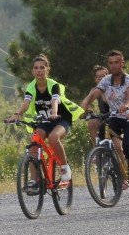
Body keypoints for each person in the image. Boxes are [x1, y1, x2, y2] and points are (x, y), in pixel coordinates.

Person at [7, 53, 84, 184]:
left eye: (42, 67)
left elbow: (55, 100)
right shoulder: (31, 87)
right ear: (32, 71)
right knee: (34, 144)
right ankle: (34, 179)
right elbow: (26, 104)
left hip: (61, 119)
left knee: (54, 138)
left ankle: (65, 168)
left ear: (47, 69)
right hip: (44, 120)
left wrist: (54, 112)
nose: (39, 71)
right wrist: (16, 114)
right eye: (36, 68)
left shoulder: (53, 85)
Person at [81, 50, 129, 185]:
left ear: (122, 63)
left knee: (128, 147)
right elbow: (94, 93)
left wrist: (126, 105)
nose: (114, 65)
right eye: (111, 63)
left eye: (117, 62)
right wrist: (85, 103)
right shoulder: (106, 81)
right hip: (115, 118)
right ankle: (123, 175)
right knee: (116, 146)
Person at [83, 65, 109, 143]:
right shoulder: (94, 90)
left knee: (117, 145)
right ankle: (96, 149)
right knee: (92, 123)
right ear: (95, 79)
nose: (101, 79)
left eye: (103, 76)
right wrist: (86, 111)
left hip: (117, 115)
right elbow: (86, 103)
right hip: (103, 116)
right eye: (98, 77)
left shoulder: (113, 88)